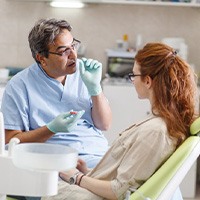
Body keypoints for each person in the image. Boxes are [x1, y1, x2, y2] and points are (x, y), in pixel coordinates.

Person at [41, 42, 198, 200]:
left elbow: (118, 191)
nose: (132, 80)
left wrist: (76, 177)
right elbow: (130, 175)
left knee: (48, 189)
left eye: (133, 75)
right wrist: (88, 172)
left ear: (148, 81)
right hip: (101, 185)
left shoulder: (155, 131)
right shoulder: (163, 123)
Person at [1, 18, 112, 169]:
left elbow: (104, 124)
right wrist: (51, 129)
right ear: (42, 58)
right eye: (63, 51)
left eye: (73, 46)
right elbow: (10, 141)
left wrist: (95, 89)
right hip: (56, 161)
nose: (73, 55)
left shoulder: (84, 73)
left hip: (98, 154)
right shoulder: (19, 86)